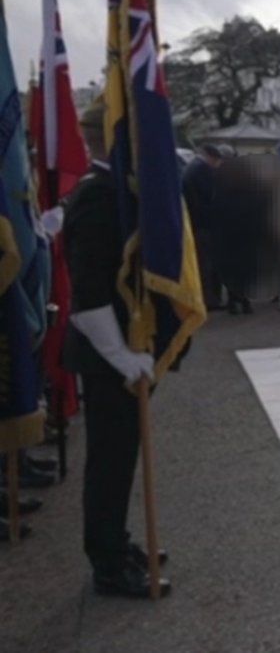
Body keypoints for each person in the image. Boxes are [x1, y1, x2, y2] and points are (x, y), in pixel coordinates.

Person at [62, 100, 167, 597]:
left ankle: (116, 540)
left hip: (122, 348)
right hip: (108, 356)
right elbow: (88, 295)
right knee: (108, 459)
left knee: (121, 454)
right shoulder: (99, 195)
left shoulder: (112, 191)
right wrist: (123, 357)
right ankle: (107, 562)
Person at [181, 144, 225, 311]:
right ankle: (209, 299)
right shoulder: (202, 171)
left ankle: (209, 298)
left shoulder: (191, 168)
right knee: (206, 263)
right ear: (212, 158)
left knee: (203, 262)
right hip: (205, 224)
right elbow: (211, 196)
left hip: (196, 222)